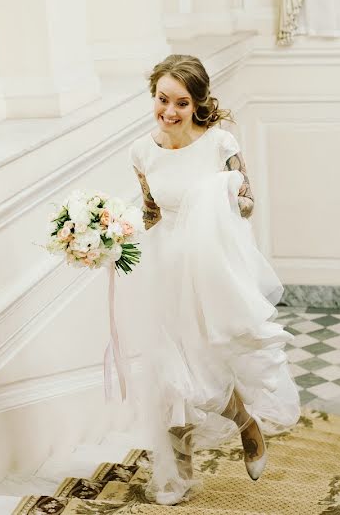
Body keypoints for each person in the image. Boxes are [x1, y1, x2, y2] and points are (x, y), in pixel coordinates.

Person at [120, 54, 300, 505]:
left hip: (208, 273)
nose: (169, 111)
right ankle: (179, 475)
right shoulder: (142, 152)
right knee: (168, 374)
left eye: (181, 102)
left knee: (204, 370)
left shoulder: (219, 143)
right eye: (162, 100)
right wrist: (108, 232)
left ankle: (246, 424)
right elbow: (151, 212)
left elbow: (248, 203)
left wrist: (220, 194)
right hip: (164, 270)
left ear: (197, 103)